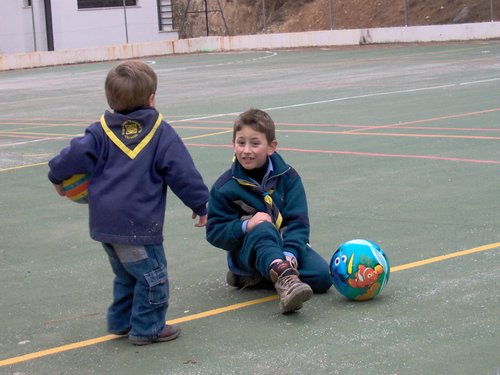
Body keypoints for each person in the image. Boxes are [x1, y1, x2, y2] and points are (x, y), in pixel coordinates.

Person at [48, 60, 210, 345]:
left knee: (127, 275)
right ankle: (147, 328)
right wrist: (201, 205)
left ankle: (122, 321)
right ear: (151, 99)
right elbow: (182, 172)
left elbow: (71, 156)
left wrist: (57, 178)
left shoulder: (99, 131)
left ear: (110, 99)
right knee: (153, 277)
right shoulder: (161, 132)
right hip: (139, 225)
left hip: (105, 225)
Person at [206, 108, 332, 314]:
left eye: (255, 143)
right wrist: (246, 225)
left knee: (322, 277)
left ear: (271, 147)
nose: (246, 150)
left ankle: (253, 277)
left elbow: (298, 223)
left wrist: (290, 253)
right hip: (248, 252)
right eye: (241, 142)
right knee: (263, 225)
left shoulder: (289, 178)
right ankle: (285, 281)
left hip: (283, 246)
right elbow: (214, 232)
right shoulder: (225, 186)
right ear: (233, 144)